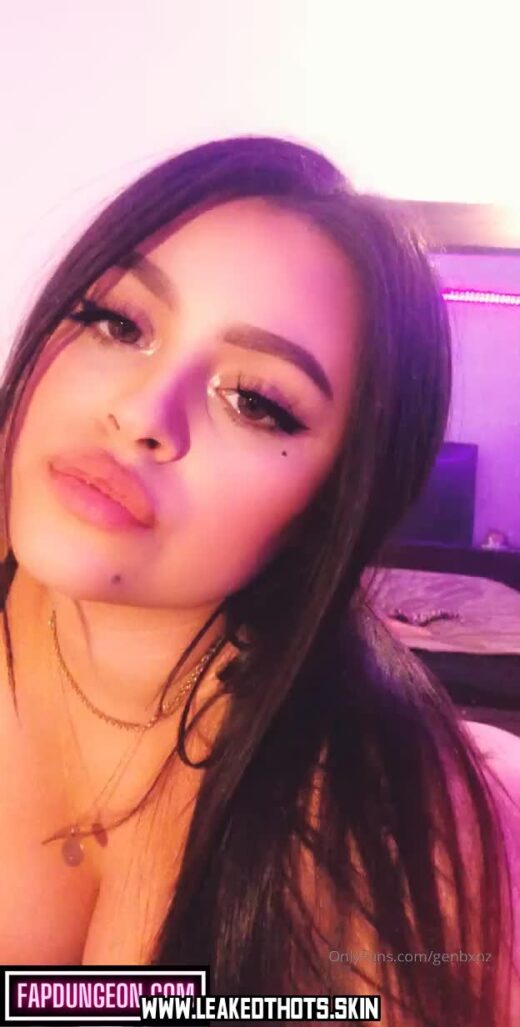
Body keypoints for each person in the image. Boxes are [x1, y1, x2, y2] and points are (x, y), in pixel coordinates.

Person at [0, 135, 517, 1025]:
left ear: (334, 504)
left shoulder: (390, 824)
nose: (141, 413)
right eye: (119, 323)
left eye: (256, 401)